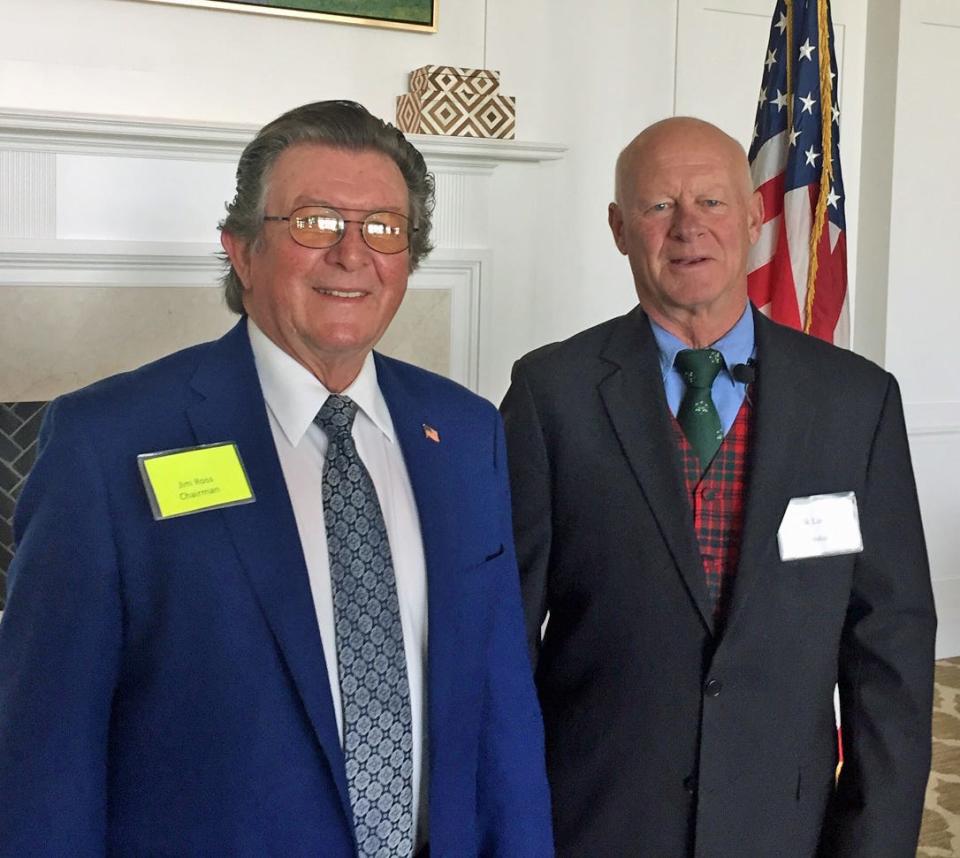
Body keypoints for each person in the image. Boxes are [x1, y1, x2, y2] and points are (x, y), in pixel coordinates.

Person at [0, 100, 552, 857]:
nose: (352, 254)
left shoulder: (464, 432)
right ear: (241, 249)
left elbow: (501, 715)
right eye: (315, 221)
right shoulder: (108, 444)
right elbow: (44, 750)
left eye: (384, 229)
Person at [500, 116, 935, 857]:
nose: (687, 228)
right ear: (618, 227)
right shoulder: (551, 395)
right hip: (593, 818)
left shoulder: (856, 403)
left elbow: (889, 651)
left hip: (783, 824)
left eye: (712, 202)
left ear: (756, 215)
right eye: (659, 206)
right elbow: (503, 640)